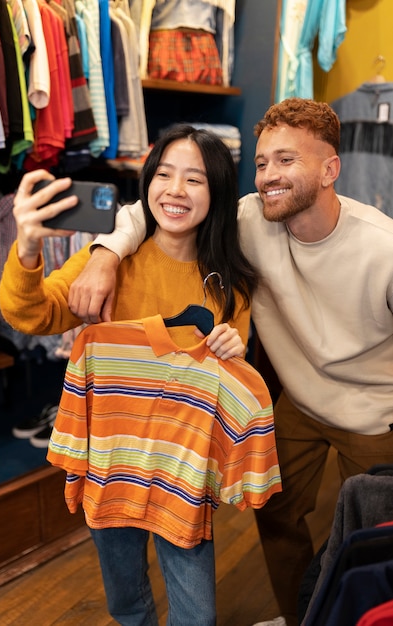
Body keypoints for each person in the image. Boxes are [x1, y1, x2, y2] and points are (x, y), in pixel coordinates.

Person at [67, 98, 393, 626]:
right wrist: (105, 256)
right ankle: (299, 616)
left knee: (375, 535)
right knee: (276, 515)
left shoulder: (383, 248)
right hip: (300, 404)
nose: (268, 176)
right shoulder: (252, 218)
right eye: (262, 163)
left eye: (286, 161)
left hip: (379, 413)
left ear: (330, 169)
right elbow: (153, 206)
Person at [0, 124, 282, 625]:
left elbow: (228, 376)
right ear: (147, 180)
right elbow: (32, 315)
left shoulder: (229, 283)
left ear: (216, 191)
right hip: (114, 467)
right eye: (164, 174)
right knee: (126, 603)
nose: (175, 190)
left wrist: (235, 348)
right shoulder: (108, 261)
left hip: (182, 475)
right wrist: (26, 248)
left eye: (194, 179)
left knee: (197, 612)